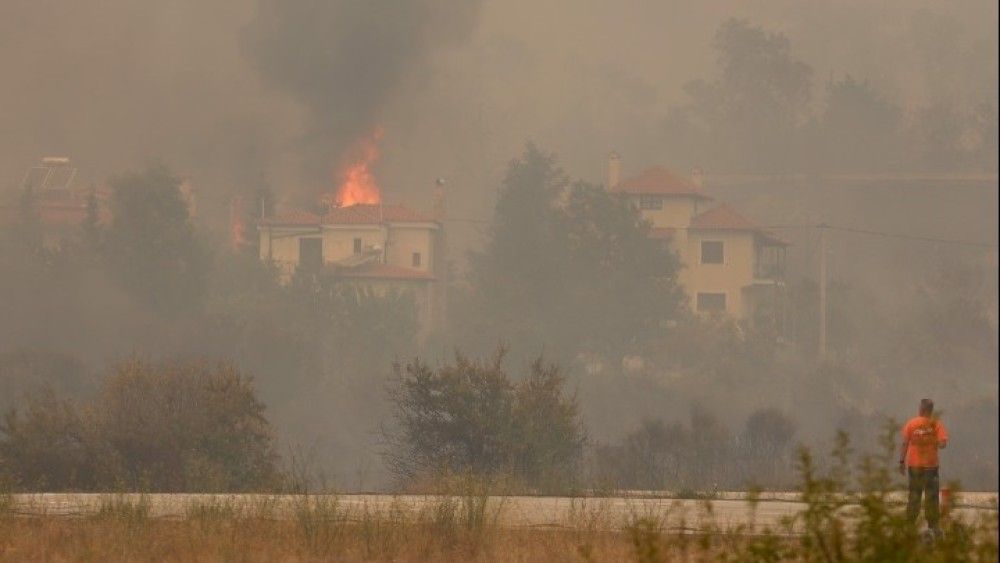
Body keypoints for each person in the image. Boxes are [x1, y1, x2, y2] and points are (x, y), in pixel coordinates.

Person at [899, 399, 949, 533]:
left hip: (914, 466)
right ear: (931, 410)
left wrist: (901, 462)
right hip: (931, 467)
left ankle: (909, 525)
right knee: (931, 496)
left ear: (921, 409)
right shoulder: (936, 424)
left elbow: (905, 443)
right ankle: (933, 526)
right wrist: (935, 441)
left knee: (914, 495)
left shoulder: (911, 423)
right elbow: (943, 443)